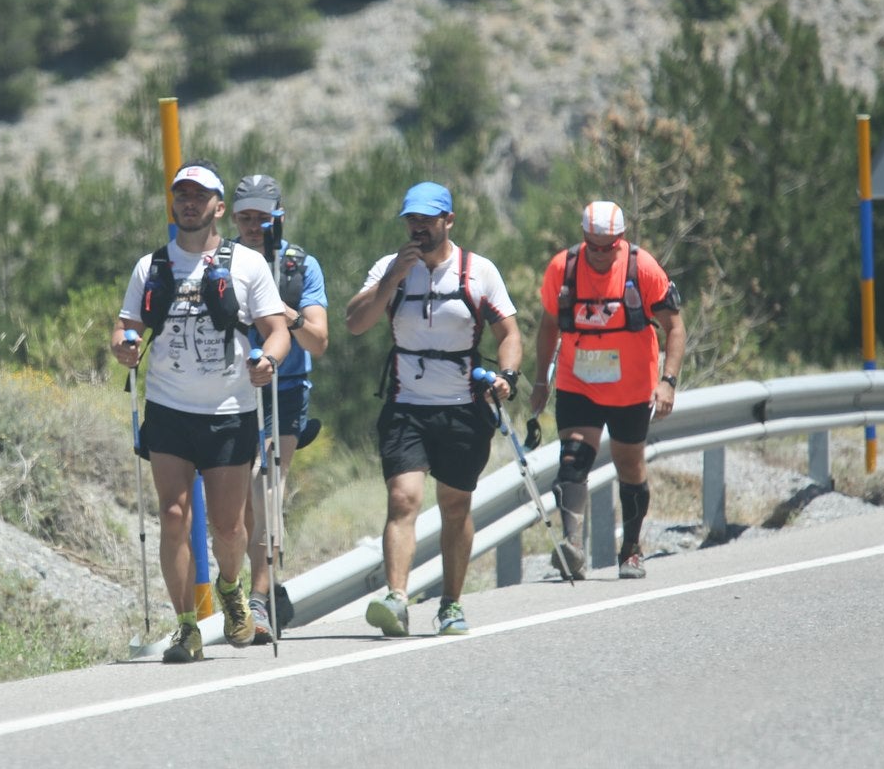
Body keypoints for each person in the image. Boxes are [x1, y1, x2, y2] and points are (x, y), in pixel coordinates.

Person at [113, 160, 291, 663]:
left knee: (228, 527)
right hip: (168, 408)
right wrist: (124, 346)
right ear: (174, 204)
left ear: (218, 207)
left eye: (200, 195)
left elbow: (276, 328)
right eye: (181, 195)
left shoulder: (247, 265)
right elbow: (126, 325)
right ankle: (187, 625)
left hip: (229, 410)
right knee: (173, 516)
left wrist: (268, 360)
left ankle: (231, 589)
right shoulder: (152, 267)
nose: (189, 203)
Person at [345, 182, 522, 637]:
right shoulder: (390, 267)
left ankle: (450, 604)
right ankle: (397, 599)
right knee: (403, 498)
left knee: (455, 505)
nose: (417, 228)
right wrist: (391, 280)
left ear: (449, 221)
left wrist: (508, 375)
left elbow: (509, 333)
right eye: (411, 220)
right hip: (406, 405)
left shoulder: (478, 271)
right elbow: (356, 323)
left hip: (463, 407)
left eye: (426, 220)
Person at [527, 199, 686, 580]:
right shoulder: (562, 268)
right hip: (577, 380)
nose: (600, 254)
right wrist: (540, 380)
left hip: (631, 385)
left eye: (608, 246)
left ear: (621, 239)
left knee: (629, 463)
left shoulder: (641, 267)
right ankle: (572, 547)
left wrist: (668, 382)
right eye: (593, 245)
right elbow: (549, 326)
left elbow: (675, 327)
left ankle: (631, 549)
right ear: (583, 237)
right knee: (573, 458)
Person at [230, 173, 329, 644]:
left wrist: (281, 312)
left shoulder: (300, 266)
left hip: (284, 390)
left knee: (265, 484)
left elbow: (319, 339)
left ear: (278, 217)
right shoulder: (221, 262)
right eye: (244, 218)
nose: (253, 226)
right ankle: (267, 588)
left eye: (261, 218)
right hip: (231, 391)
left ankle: (258, 602)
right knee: (245, 504)